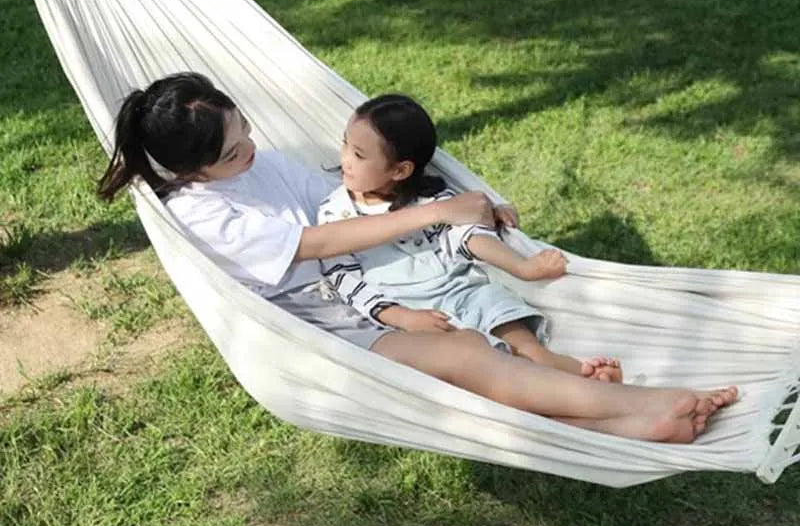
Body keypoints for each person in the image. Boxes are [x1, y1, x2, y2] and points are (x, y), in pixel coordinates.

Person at [97, 72, 738, 443]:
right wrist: (434, 216)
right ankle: (650, 405)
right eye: (235, 152)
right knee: (465, 357)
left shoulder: (255, 165)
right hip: (311, 326)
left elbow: (345, 202)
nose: (253, 150)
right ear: (193, 168)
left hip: (367, 287)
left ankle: (630, 428)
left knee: (473, 353)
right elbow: (315, 243)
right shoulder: (196, 212)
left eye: (246, 131)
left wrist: (463, 201)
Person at [319, 93, 621, 381]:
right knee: (500, 368)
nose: (345, 158)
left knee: (530, 353)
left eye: (358, 155)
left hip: (468, 292)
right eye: (346, 144)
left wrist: (513, 255)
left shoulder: (432, 201)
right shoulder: (336, 213)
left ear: (400, 170)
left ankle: (588, 375)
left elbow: (467, 237)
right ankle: (588, 386)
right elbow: (344, 279)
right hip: (412, 311)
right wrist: (401, 317)